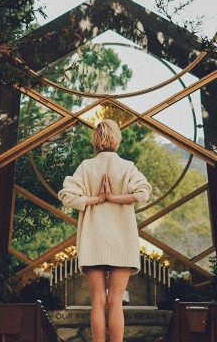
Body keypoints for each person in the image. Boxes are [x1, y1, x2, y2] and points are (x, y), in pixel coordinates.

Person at [58, 119, 151, 342]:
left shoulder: (86, 167)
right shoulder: (127, 166)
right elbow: (143, 193)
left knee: (98, 301)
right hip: (122, 243)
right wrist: (115, 198)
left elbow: (66, 196)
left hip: (93, 242)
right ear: (117, 139)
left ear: (95, 140)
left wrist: (96, 199)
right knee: (116, 302)